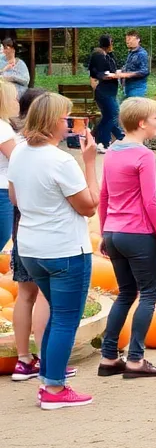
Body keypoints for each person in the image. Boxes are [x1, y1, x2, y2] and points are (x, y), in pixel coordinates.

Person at [8, 93, 101, 409]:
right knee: (64, 319)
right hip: (64, 248)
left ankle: (49, 378)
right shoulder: (61, 160)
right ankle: (55, 389)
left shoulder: (19, 152)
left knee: (56, 315)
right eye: (66, 118)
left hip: (31, 247)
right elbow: (89, 206)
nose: (70, 123)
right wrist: (89, 163)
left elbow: (15, 198)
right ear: (51, 122)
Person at [97, 98, 156, 379]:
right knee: (148, 293)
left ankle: (109, 356)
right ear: (141, 123)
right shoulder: (144, 155)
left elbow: (104, 195)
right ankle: (136, 359)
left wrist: (104, 232)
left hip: (113, 232)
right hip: (138, 233)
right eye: (155, 118)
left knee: (126, 294)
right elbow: (150, 201)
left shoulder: (112, 150)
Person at [6, 87, 61, 384]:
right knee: (43, 295)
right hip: (39, 226)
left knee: (24, 293)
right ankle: (46, 359)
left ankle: (24, 360)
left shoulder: (16, 141)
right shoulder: (31, 147)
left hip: (21, 225)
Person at [88, 35, 123, 149]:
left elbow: (112, 68)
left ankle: (117, 137)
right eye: (111, 43)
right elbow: (101, 73)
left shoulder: (107, 55)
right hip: (104, 91)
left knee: (109, 116)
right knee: (112, 114)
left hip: (110, 91)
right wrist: (114, 75)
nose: (112, 45)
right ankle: (104, 141)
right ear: (107, 44)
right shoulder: (98, 56)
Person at [0, 80, 17, 254]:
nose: (17, 103)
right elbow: (18, 161)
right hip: (2, 191)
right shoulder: (3, 129)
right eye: (14, 99)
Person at [113, 31, 149, 99]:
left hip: (137, 88)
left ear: (138, 40)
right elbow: (131, 67)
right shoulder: (131, 52)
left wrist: (127, 74)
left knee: (134, 108)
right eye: (126, 39)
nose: (127, 41)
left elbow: (145, 71)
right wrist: (121, 71)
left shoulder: (142, 54)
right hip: (127, 87)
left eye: (130, 39)